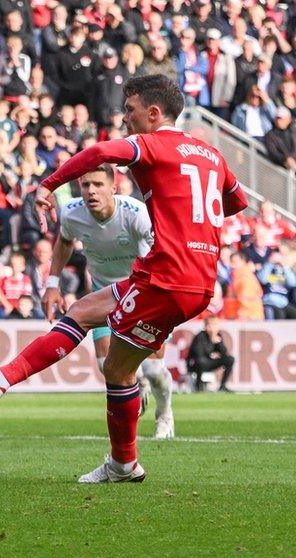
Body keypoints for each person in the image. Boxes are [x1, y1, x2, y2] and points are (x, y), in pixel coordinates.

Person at [0, 75, 248, 483]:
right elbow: (237, 200)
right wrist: (192, 225)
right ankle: (123, 465)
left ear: (154, 114)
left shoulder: (154, 143)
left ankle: (0, 381)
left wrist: (49, 184)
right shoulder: (212, 154)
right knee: (115, 365)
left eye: (131, 110)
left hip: (166, 275)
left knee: (85, 318)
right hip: (199, 280)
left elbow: (102, 151)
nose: (125, 118)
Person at [43, 165, 175, 439]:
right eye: (85, 185)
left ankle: (165, 413)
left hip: (143, 291)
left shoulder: (137, 215)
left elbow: (151, 264)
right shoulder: (71, 212)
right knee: (107, 366)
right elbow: (65, 241)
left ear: (113, 188)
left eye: (98, 185)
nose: (91, 191)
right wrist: (53, 283)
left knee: (153, 368)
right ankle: (135, 384)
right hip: (105, 290)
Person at [186, 316, 235, 392]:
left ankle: (223, 386)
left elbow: (224, 353)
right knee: (200, 361)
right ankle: (198, 386)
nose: (212, 328)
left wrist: (219, 343)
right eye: (210, 325)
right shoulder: (200, 336)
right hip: (196, 364)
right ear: (206, 326)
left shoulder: (218, 336)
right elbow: (198, 354)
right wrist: (211, 341)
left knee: (230, 359)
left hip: (208, 362)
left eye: (215, 325)